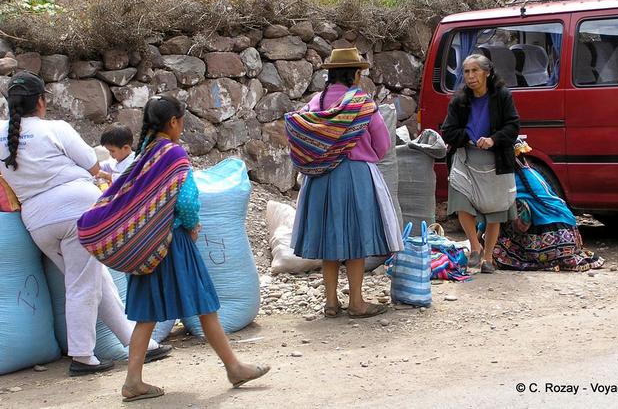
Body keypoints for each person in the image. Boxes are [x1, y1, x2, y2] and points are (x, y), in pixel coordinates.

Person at [83, 95, 269, 402]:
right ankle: (234, 367)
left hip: (147, 246)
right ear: (173, 122)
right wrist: (192, 223)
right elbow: (185, 200)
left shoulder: (145, 154)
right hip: (173, 243)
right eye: (181, 121)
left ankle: (133, 380)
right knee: (205, 304)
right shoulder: (172, 153)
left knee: (147, 314)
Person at [0, 72, 170, 376]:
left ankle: (137, 343)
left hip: (37, 223)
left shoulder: (1, 135)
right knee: (83, 284)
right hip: (77, 215)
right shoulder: (55, 128)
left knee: (96, 280)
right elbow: (92, 164)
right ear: (40, 101)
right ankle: (82, 356)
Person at [286, 48, 403, 319]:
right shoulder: (361, 103)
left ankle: (330, 303)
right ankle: (357, 302)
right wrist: (361, 155)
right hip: (354, 177)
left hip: (319, 180)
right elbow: (383, 144)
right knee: (356, 240)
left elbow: (301, 134)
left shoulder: (316, 101)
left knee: (330, 240)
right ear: (356, 73)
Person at [441, 54, 520, 274]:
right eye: (466, 72)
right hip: (467, 158)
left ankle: (488, 258)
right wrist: (466, 137)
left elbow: (513, 126)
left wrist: (494, 139)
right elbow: (448, 130)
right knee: (461, 202)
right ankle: (475, 248)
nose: (470, 76)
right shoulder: (459, 100)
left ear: (487, 72)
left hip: (496, 159)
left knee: (495, 209)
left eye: (475, 71)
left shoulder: (502, 96)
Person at [491, 139, 605, 271]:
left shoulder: (511, 179)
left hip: (547, 234)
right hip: (569, 235)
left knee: (499, 249)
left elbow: (495, 211)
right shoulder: (533, 173)